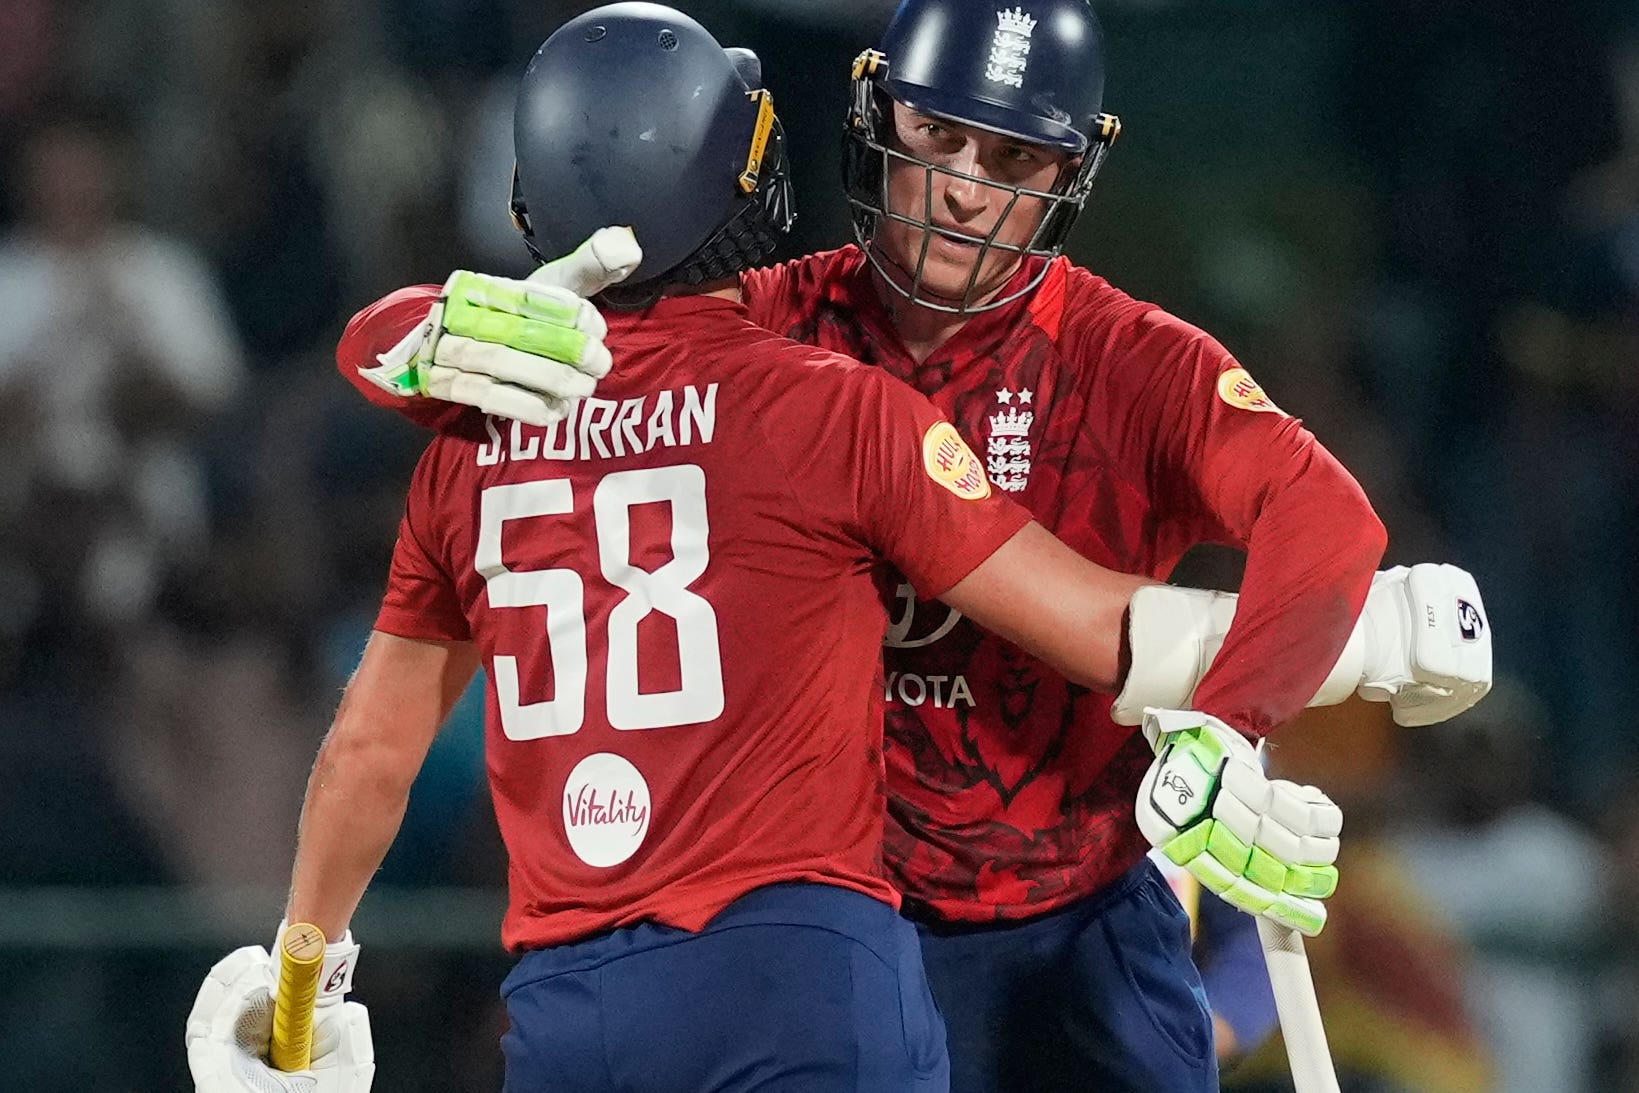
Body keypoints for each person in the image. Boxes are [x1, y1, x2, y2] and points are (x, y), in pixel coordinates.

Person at [183, 7, 1369, 1091]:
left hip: (1075, 914)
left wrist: (1228, 719)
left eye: (1011, 159)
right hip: (852, 928)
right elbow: (627, 348)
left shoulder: (1131, 363)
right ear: (878, 113)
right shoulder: (780, 325)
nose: (961, 188)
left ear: (1071, 169)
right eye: (937, 136)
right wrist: (409, 330)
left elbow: (1328, 518)